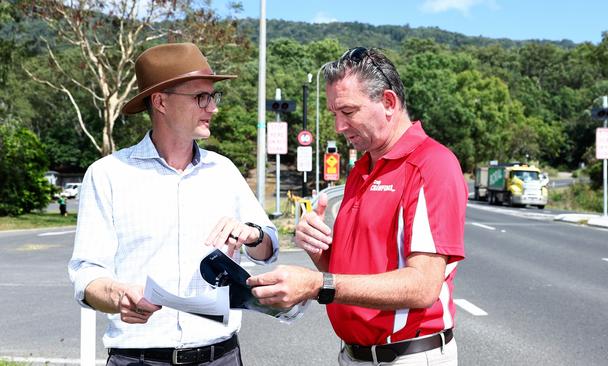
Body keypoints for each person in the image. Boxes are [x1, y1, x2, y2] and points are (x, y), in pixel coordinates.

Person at [247, 47, 467, 365]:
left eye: (348, 112)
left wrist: (315, 284)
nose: (338, 126)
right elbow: (347, 277)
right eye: (334, 113)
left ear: (388, 103)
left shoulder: (431, 164)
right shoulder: (363, 168)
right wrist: (318, 250)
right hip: (355, 355)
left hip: (408, 356)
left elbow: (423, 286)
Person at [68, 43, 279, 366]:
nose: (213, 108)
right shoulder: (108, 175)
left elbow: (268, 248)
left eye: (213, 97)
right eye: (201, 97)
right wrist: (118, 295)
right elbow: (87, 274)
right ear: (160, 101)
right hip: (137, 360)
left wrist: (253, 234)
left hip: (220, 356)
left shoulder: (223, 171)